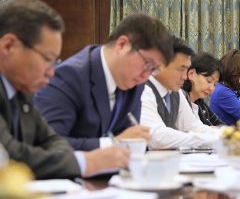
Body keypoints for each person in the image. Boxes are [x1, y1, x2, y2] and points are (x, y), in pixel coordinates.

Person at [0, 0, 129, 179]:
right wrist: (88, 162)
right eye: (47, 59)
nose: (51, 72)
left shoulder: (22, 90)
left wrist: (67, 161)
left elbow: (52, 140)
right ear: (8, 46)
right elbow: (9, 157)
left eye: (55, 61)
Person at [35, 13, 173, 151]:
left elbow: (129, 137)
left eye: (153, 69)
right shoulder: (70, 76)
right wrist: (114, 143)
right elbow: (47, 145)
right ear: (122, 45)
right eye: (147, 63)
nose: (146, 75)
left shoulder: (135, 83)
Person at [140, 40, 218, 150]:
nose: (185, 76)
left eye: (186, 69)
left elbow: (192, 127)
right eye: (181, 69)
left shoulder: (176, 93)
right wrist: (203, 139)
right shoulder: (143, 89)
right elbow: (157, 137)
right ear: (160, 64)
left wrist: (225, 135)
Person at [182, 52, 223, 126]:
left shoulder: (200, 103)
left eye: (215, 84)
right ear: (191, 74)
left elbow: (220, 125)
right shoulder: (179, 99)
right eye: (209, 81)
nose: (211, 88)